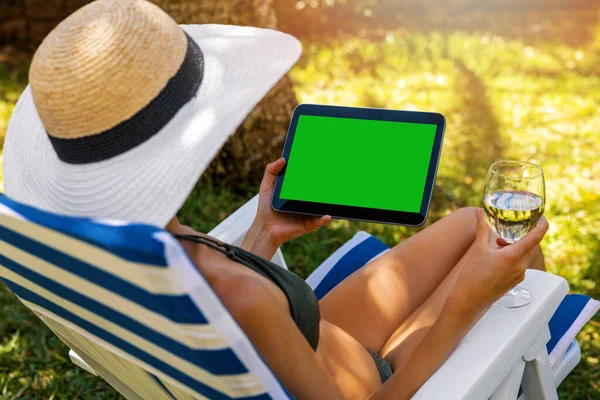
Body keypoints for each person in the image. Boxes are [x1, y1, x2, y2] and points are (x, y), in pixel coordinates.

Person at [2, 0, 549, 398]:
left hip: (306, 341)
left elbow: (219, 306)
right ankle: (529, 348)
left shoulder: (127, 252)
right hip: (383, 381)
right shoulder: (244, 295)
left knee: (473, 223)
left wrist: (262, 236)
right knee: (502, 253)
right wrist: (468, 303)